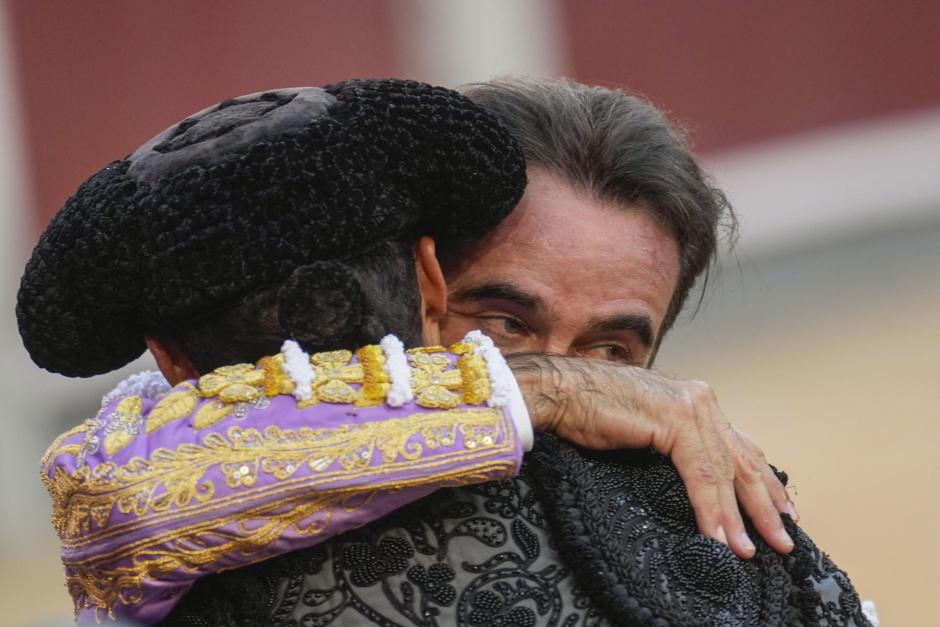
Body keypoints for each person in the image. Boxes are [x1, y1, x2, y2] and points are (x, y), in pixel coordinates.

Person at [21, 79, 871, 626]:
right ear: (419, 281)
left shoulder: (699, 499)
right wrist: (553, 391)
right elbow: (120, 504)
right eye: (502, 322)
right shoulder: (175, 436)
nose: (586, 382)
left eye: (612, 349)